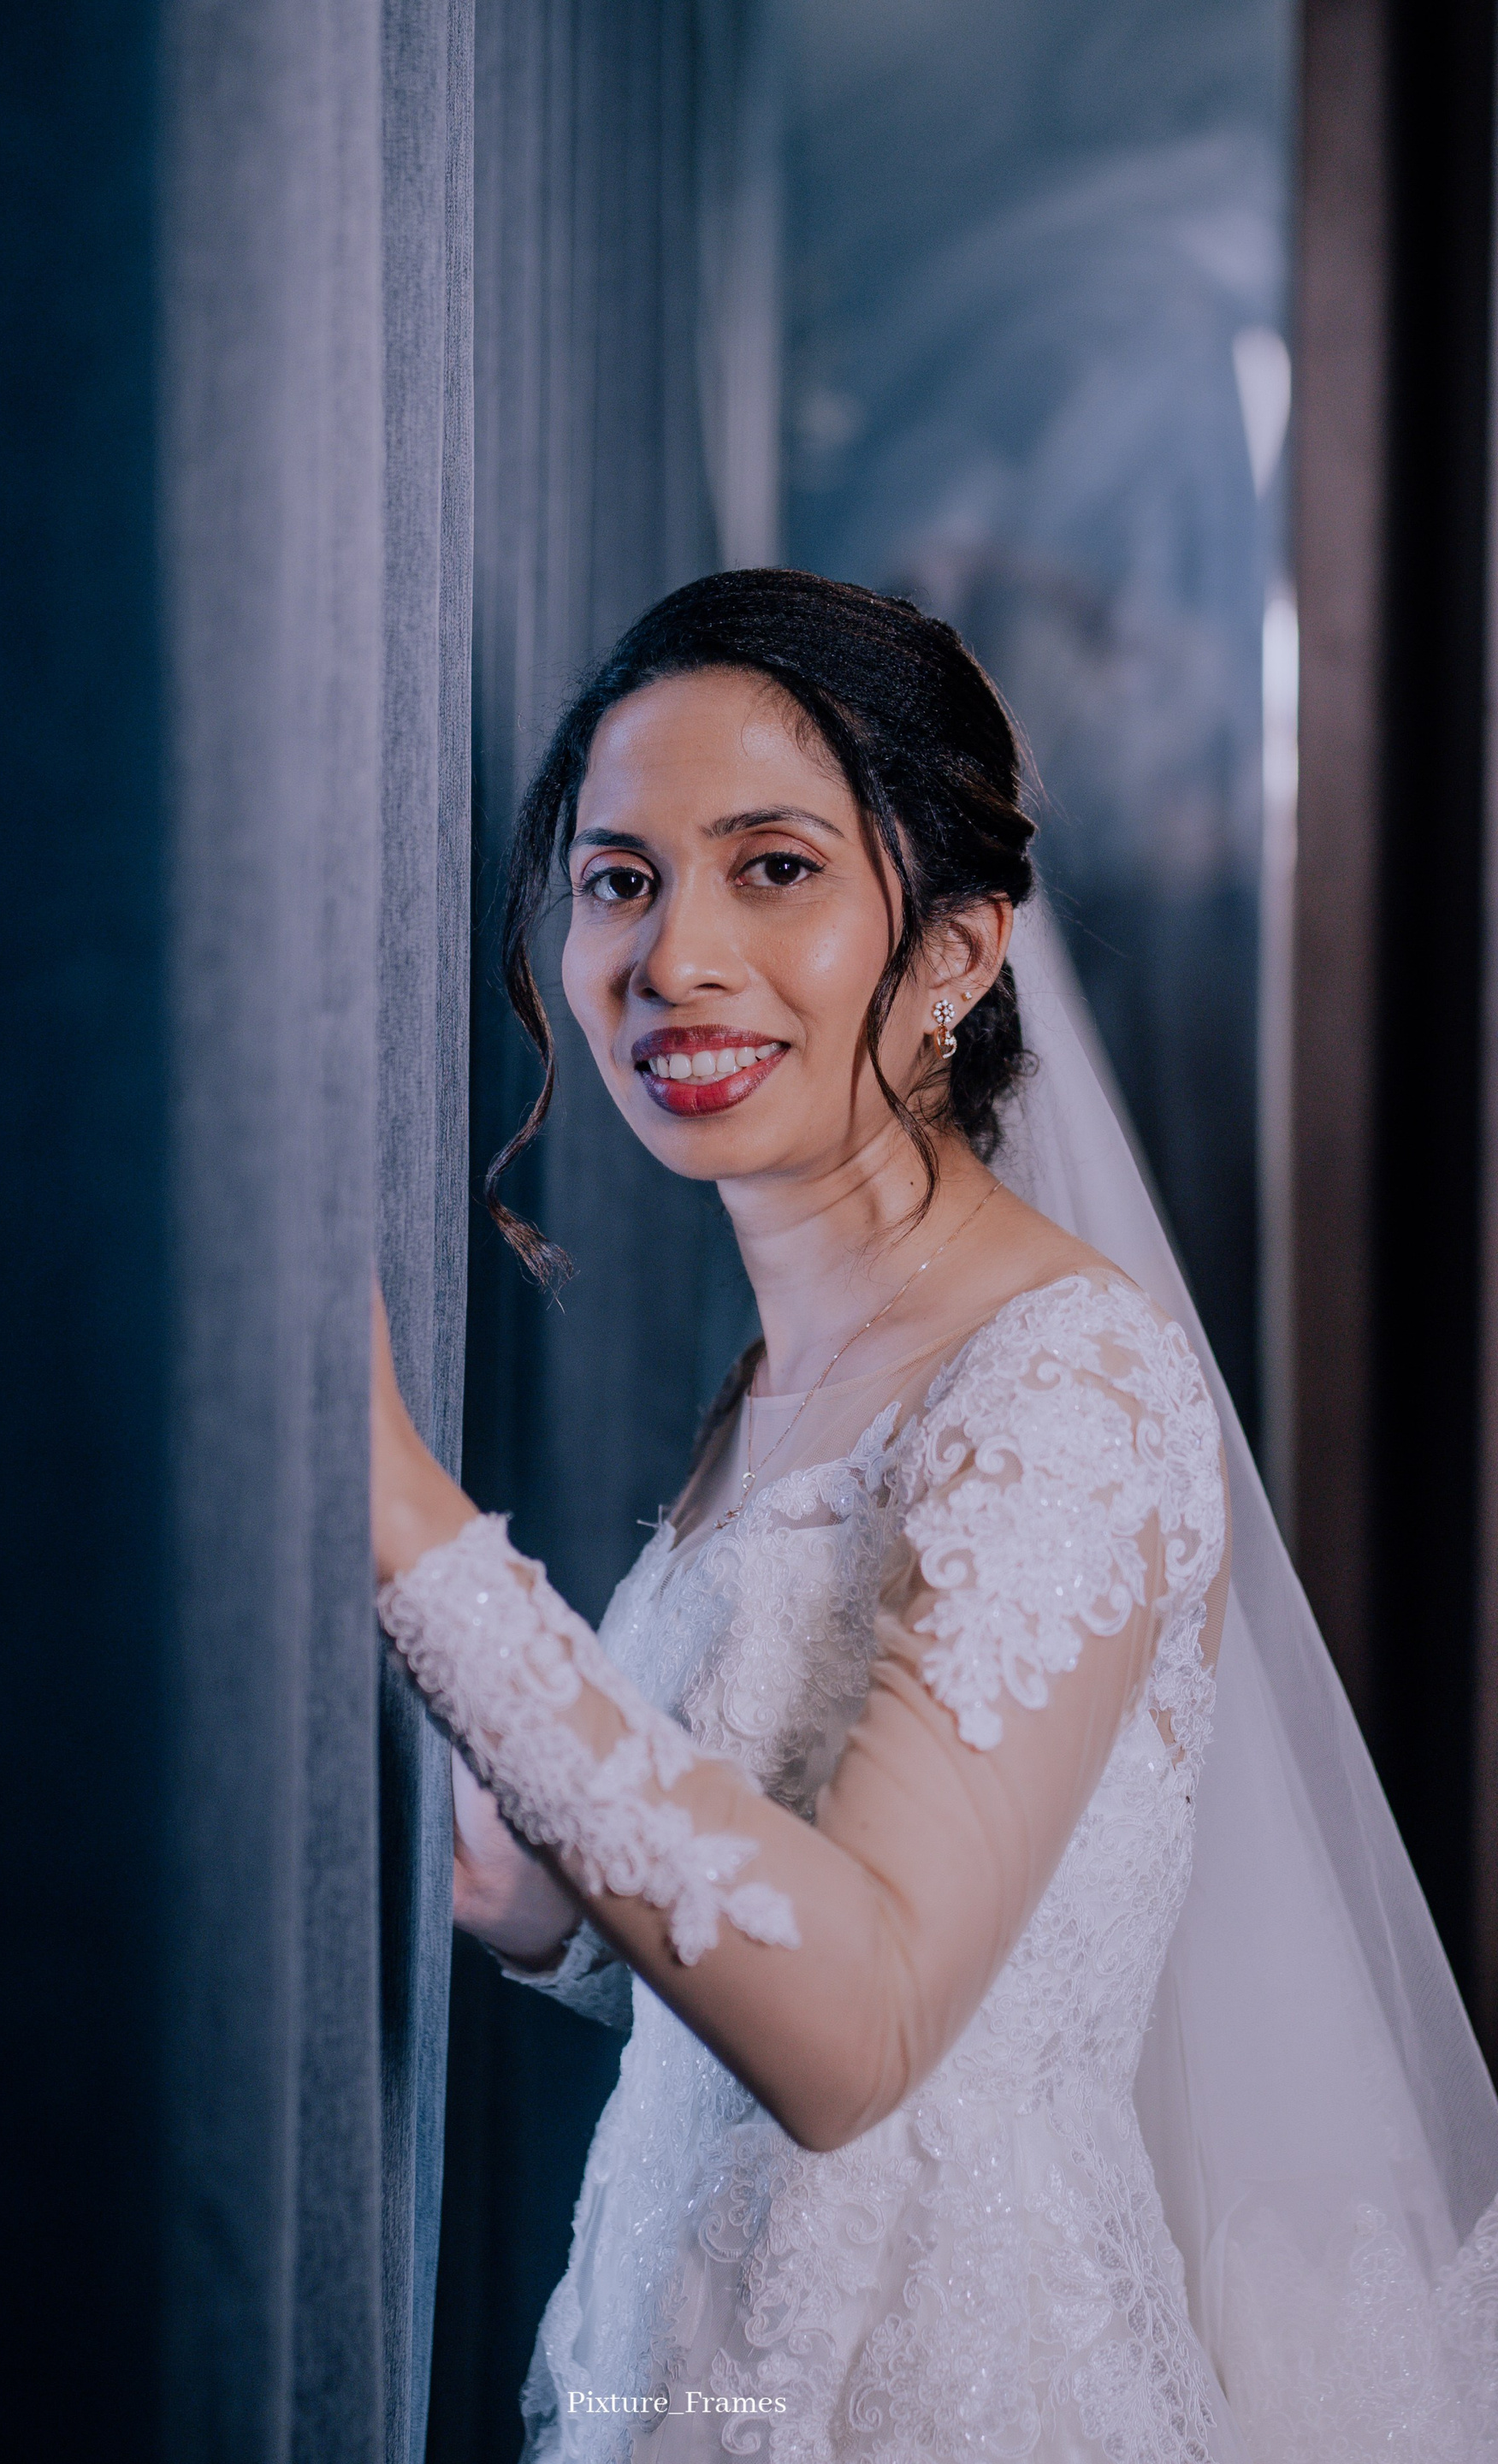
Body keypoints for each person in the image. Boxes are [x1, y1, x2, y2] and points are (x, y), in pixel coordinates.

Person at [371, 570, 1498, 2461]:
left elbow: (868, 2030)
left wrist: (410, 1521)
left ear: (963, 950)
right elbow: (768, 1926)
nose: (677, 957)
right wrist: (532, 1895)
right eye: (621, 880)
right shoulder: (788, 1370)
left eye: (776, 870)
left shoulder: (1059, 1386)